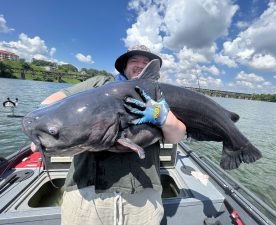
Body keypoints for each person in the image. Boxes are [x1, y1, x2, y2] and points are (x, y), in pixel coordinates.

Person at [31, 45, 186, 225]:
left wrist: (163, 117)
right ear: (124, 66)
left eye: (146, 62)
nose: (140, 66)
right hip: (87, 192)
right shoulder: (99, 84)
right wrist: (44, 128)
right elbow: (51, 102)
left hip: (144, 195)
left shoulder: (159, 94)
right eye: (134, 61)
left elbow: (177, 137)